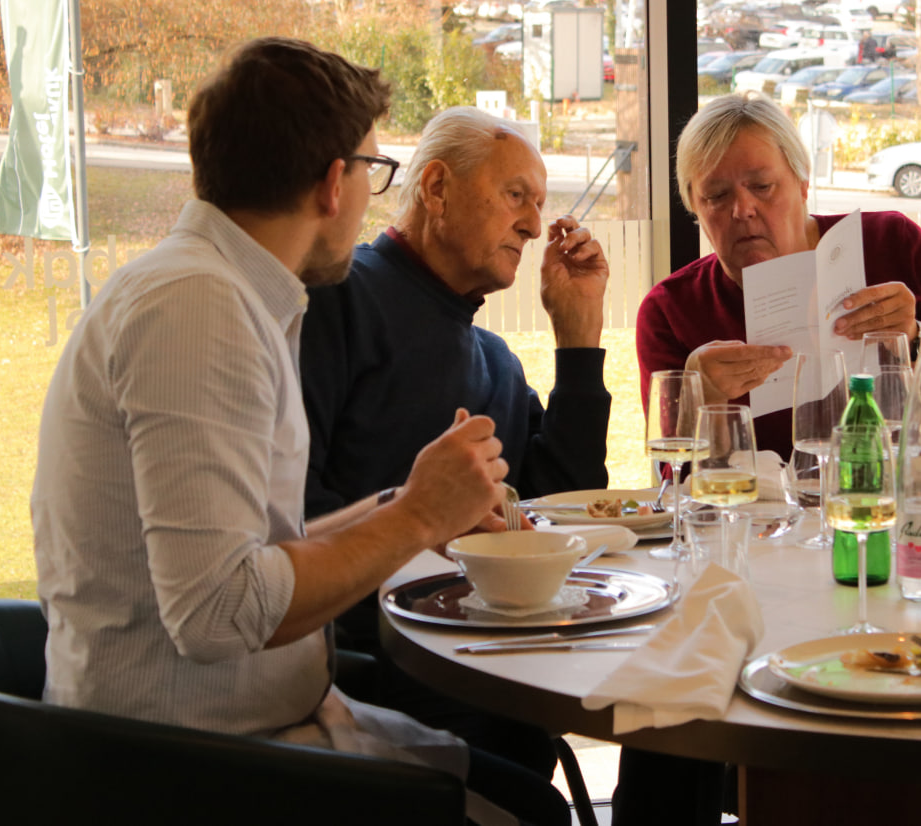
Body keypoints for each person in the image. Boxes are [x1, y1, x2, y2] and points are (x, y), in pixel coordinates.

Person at [32, 37, 569, 826]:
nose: (371, 198)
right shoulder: (196, 309)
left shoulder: (225, 295)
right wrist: (418, 515)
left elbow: (248, 554)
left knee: (521, 783)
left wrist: (409, 506)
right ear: (331, 182)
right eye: (373, 171)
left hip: (249, 726)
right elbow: (220, 611)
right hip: (184, 764)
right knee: (531, 811)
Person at [298, 105, 611, 776]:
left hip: (498, 670)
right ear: (437, 189)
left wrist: (579, 338)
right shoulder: (336, 301)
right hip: (372, 679)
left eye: (540, 204)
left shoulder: (495, 361)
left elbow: (562, 508)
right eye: (515, 195)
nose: (533, 225)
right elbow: (288, 514)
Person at [636, 92, 921, 462]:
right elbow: (675, 477)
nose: (742, 209)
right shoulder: (671, 310)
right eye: (716, 195)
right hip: (760, 502)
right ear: (694, 207)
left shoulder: (890, 243)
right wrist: (700, 399)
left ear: (803, 182)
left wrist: (918, 343)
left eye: (762, 186)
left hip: (906, 494)